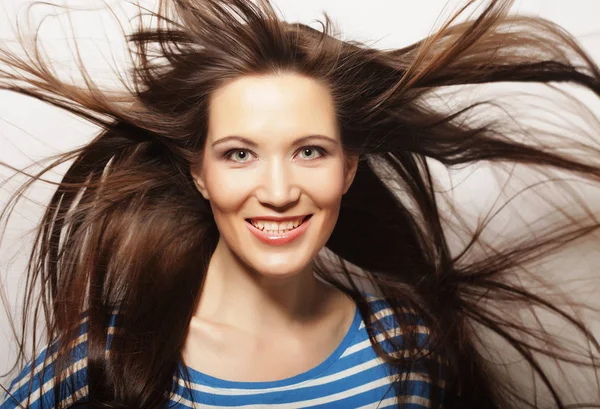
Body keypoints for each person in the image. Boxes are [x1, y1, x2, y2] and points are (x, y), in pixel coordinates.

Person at [0, 0, 599, 408]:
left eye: (310, 151)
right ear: (199, 173)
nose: (281, 191)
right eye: (239, 155)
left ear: (349, 168)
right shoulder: (112, 357)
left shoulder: (407, 347)